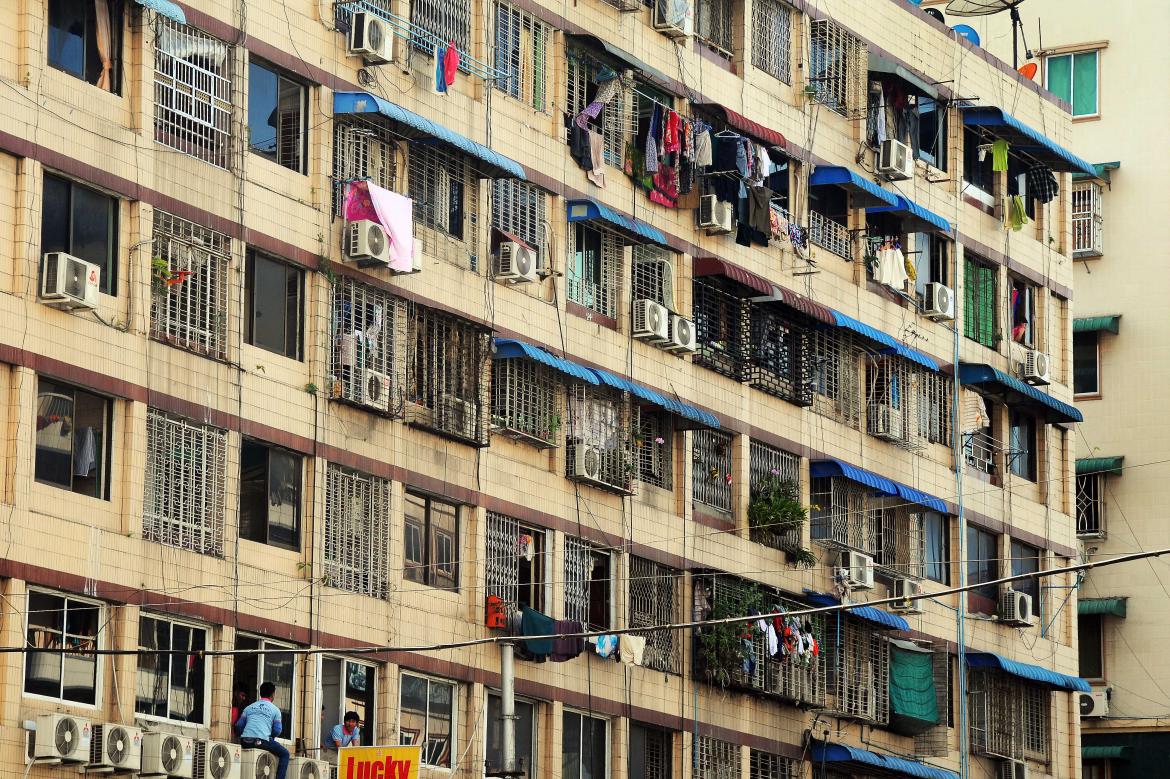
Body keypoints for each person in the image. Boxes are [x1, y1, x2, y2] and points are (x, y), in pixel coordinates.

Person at [235, 682, 289, 779]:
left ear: (260, 693)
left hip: (245, 741)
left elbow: (239, 726)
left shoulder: (249, 707)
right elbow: (277, 730)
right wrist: (269, 736)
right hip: (261, 741)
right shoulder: (275, 710)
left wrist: (241, 735)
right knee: (285, 754)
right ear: (273, 694)